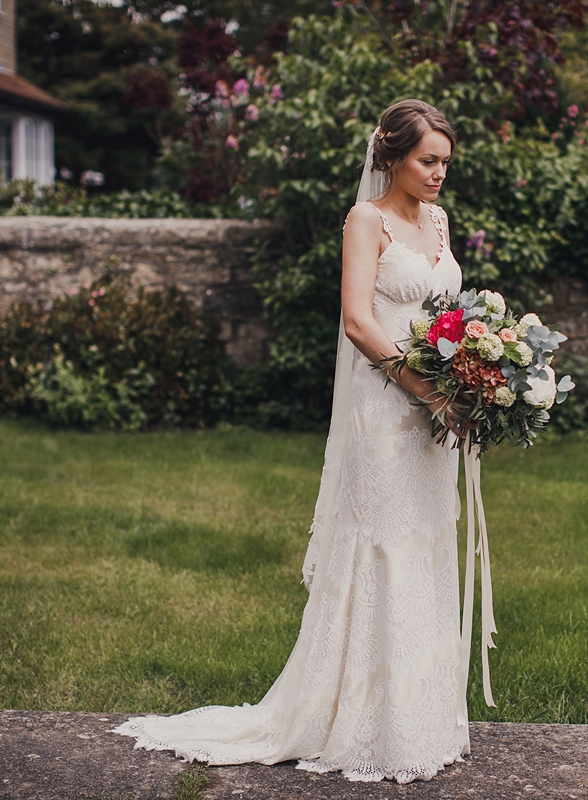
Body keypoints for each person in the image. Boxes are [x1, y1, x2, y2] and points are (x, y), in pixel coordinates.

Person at [113, 99, 472, 784]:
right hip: (387, 407)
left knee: (426, 542)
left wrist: (468, 372)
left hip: (434, 413)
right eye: (428, 161)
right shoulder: (365, 221)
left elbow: (444, 312)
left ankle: (421, 717)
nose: (438, 175)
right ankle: (364, 722)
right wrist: (425, 388)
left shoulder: (438, 221)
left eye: (445, 163)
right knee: (385, 546)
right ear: (391, 156)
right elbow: (359, 323)